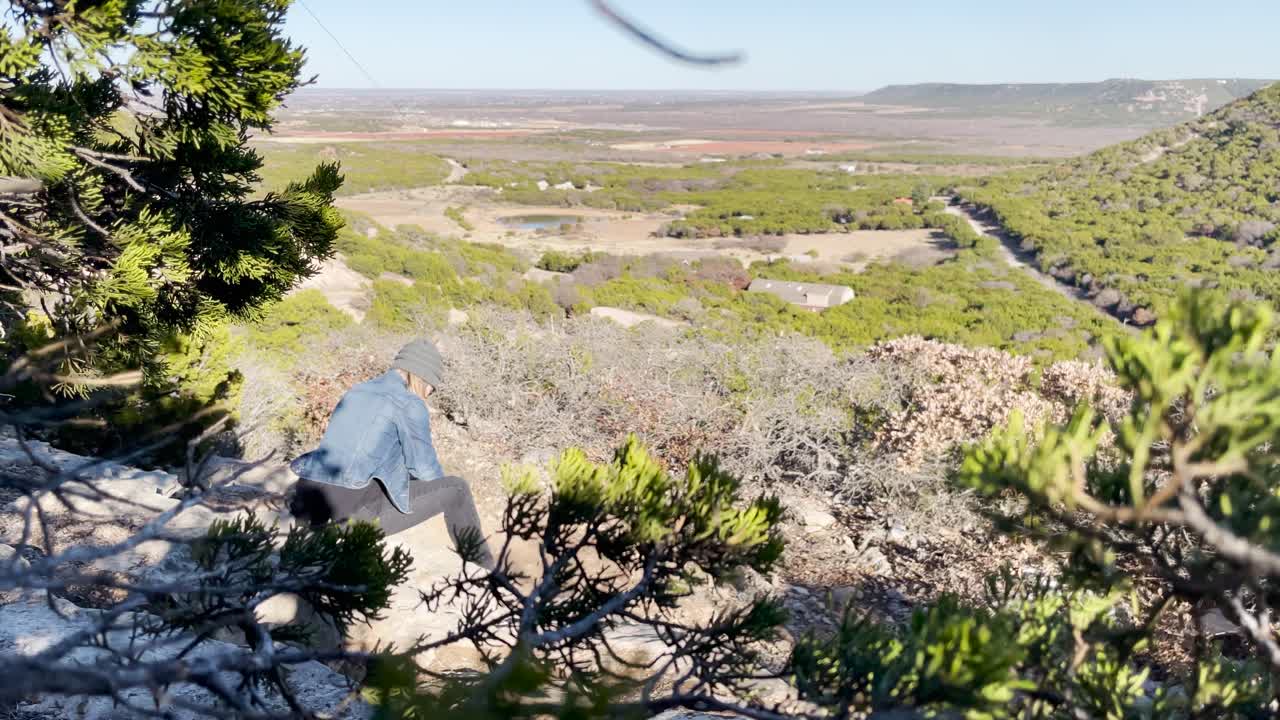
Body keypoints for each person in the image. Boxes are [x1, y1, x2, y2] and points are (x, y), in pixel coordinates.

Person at [288, 338, 494, 567]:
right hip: (348, 516)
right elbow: (425, 469)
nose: (429, 393)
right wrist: (436, 491)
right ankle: (485, 570)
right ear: (422, 376)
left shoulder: (357, 390)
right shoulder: (408, 403)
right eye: (431, 387)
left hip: (306, 501)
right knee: (455, 488)